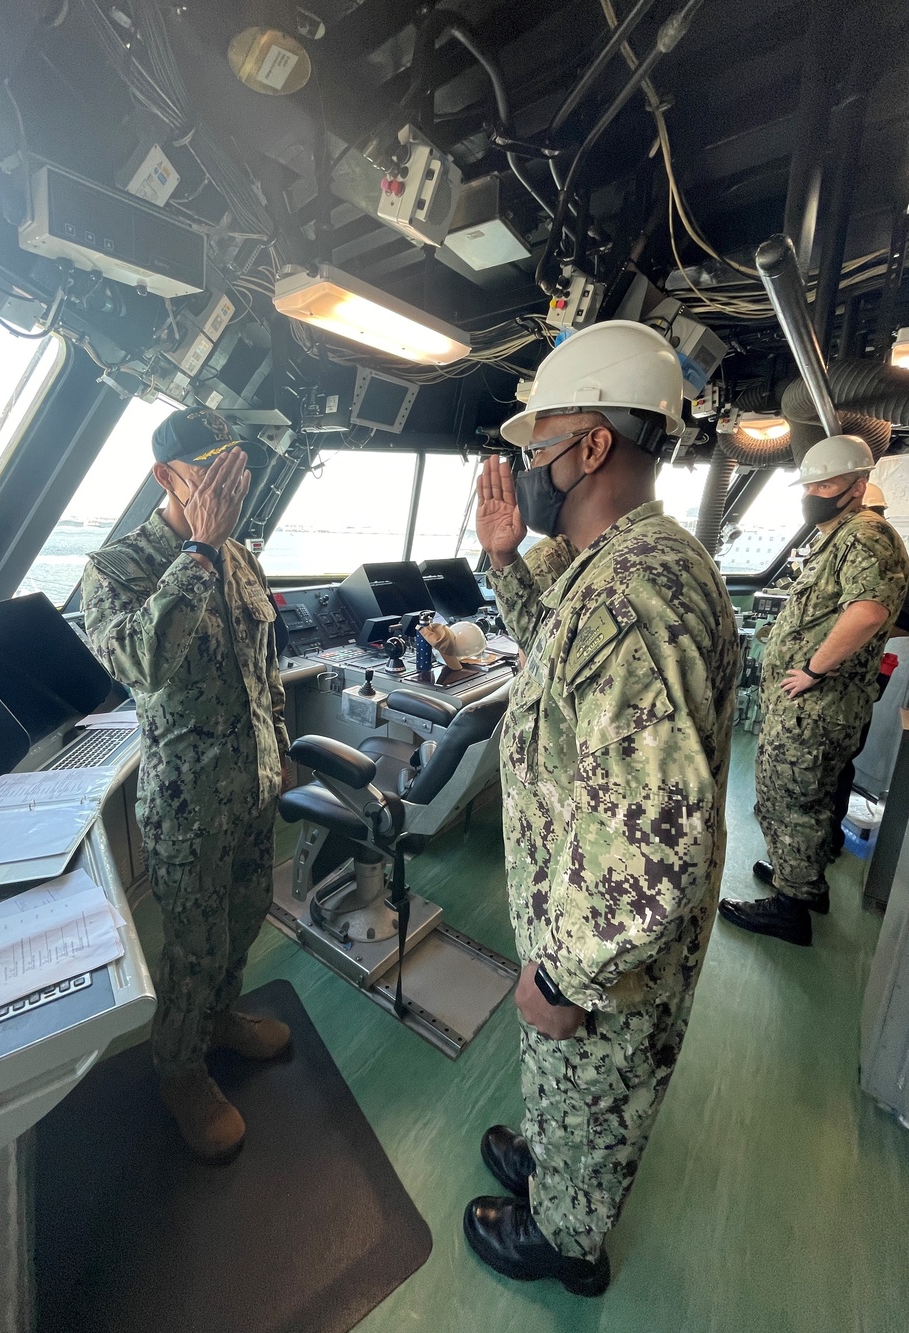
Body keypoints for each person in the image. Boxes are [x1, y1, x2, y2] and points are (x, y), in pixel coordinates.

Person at [464, 322, 738, 1297]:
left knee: (596, 1084)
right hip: (584, 908)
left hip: (604, 945)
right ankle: (550, 1154)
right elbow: (554, 655)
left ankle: (564, 1241)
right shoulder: (622, 557)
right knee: (571, 1095)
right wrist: (504, 559)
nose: (522, 464)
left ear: (591, 449)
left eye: (539, 443)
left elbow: (651, 842)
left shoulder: (633, 594)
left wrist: (567, 977)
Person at [81, 408, 291, 1163]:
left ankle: (223, 1018)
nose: (231, 483)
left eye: (237, 465)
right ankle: (180, 1070)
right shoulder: (117, 568)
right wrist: (197, 549)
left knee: (244, 918)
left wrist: (281, 747)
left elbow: (263, 664)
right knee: (192, 949)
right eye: (212, 468)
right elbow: (141, 661)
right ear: (165, 476)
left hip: (252, 787)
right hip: (188, 805)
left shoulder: (242, 558)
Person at [719, 436, 909, 946]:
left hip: (816, 706)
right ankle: (802, 881)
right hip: (816, 707)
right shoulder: (842, 535)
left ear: (858, 486)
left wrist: (814, 670)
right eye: (811, 484)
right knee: (811, 797)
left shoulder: (864, 535)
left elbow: (868, 611)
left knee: (789, 800)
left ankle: (790, 906)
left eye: (826, 483)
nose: (815, 492)